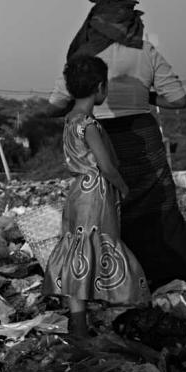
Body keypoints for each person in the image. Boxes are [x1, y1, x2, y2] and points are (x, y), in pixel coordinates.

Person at [48, 0, 186, 290]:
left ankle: (113, 280)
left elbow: (57, 104)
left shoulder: (82, 57)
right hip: (142, 135)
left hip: (99, 136)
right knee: (159, 206)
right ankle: (173, 275)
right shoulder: (146, 51)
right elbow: (179, 100)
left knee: (111, 207)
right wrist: (146, 95)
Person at [43, 55, 149, 337]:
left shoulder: (69, 120)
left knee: (78, 253)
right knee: (102, 246)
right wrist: (123, 186)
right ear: (100, 87)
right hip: (96, 192)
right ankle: (127, 305)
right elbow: (106, 165)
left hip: (78, 192)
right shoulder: (88, 124)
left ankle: (78, 323)